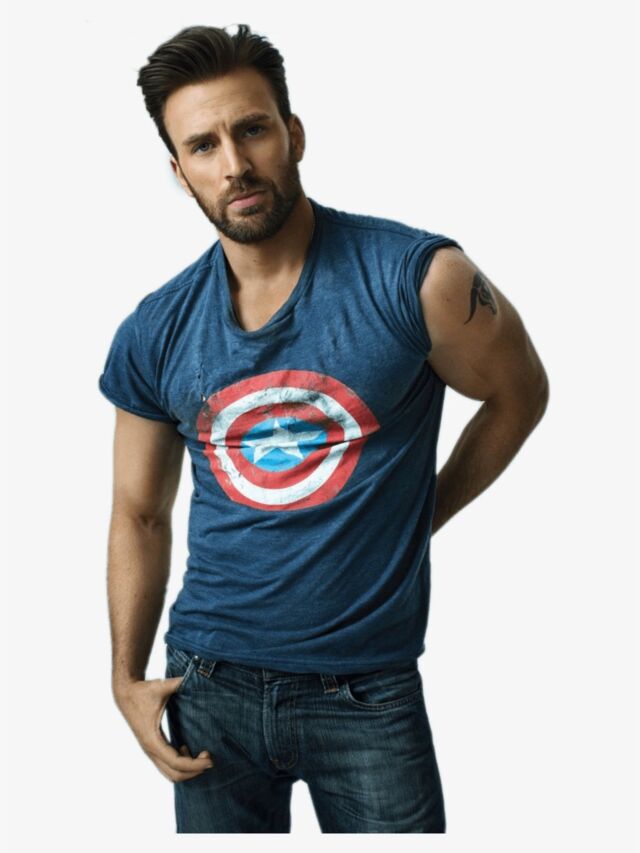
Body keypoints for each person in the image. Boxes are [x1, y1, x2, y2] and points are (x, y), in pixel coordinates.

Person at [98, 23, 549, 833]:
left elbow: (520, 394)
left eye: (252, 130)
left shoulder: (417, 279)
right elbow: (138, 511)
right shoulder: (155, 329)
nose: (234, 164)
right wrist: (125, 677)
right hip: (207, 684)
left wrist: (420, 514)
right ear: (179, 171)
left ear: (293, 133)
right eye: (203, 146)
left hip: (367, 689)